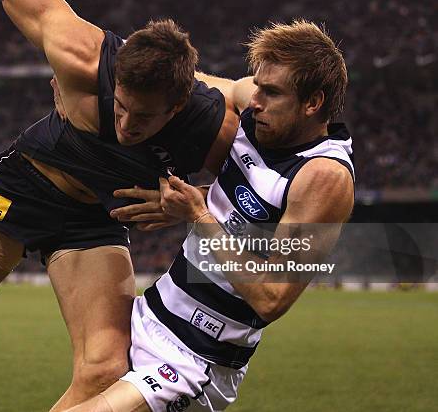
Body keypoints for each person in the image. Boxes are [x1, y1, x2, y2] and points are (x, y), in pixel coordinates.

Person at [0, 0, 247, 411]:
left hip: (91, 222)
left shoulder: (211, 126)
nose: (127, 125)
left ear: (177, 107)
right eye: (121, 107)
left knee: (105, 371)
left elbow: (256, 189)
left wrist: (193, 206)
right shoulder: (80, 55)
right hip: (23, 190)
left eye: (145, 117)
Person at [60, 20, 355, 412]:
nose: (255, 100)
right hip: (149, 315)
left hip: (194, 360)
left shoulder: (324, 177)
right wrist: (71, 89)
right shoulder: (260, 114)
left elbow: (272, 298)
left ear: (313, 103)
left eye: (271, 92)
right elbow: (176, 79)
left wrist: (198, 214)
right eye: (258, 84)